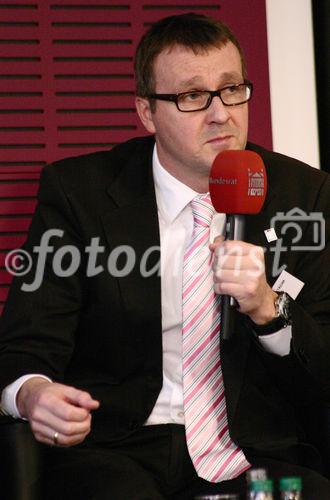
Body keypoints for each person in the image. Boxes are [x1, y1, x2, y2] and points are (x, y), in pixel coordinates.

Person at [0, 12, 329, 500]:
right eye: (192, 96)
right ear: (147, 112)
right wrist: (33, 394)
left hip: (253, 454)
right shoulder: (80, 195)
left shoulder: (303, 193)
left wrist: (268, 308)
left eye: (232, 89)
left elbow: (321, 366)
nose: (221, 114)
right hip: (120, 448)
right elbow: (24, 346)